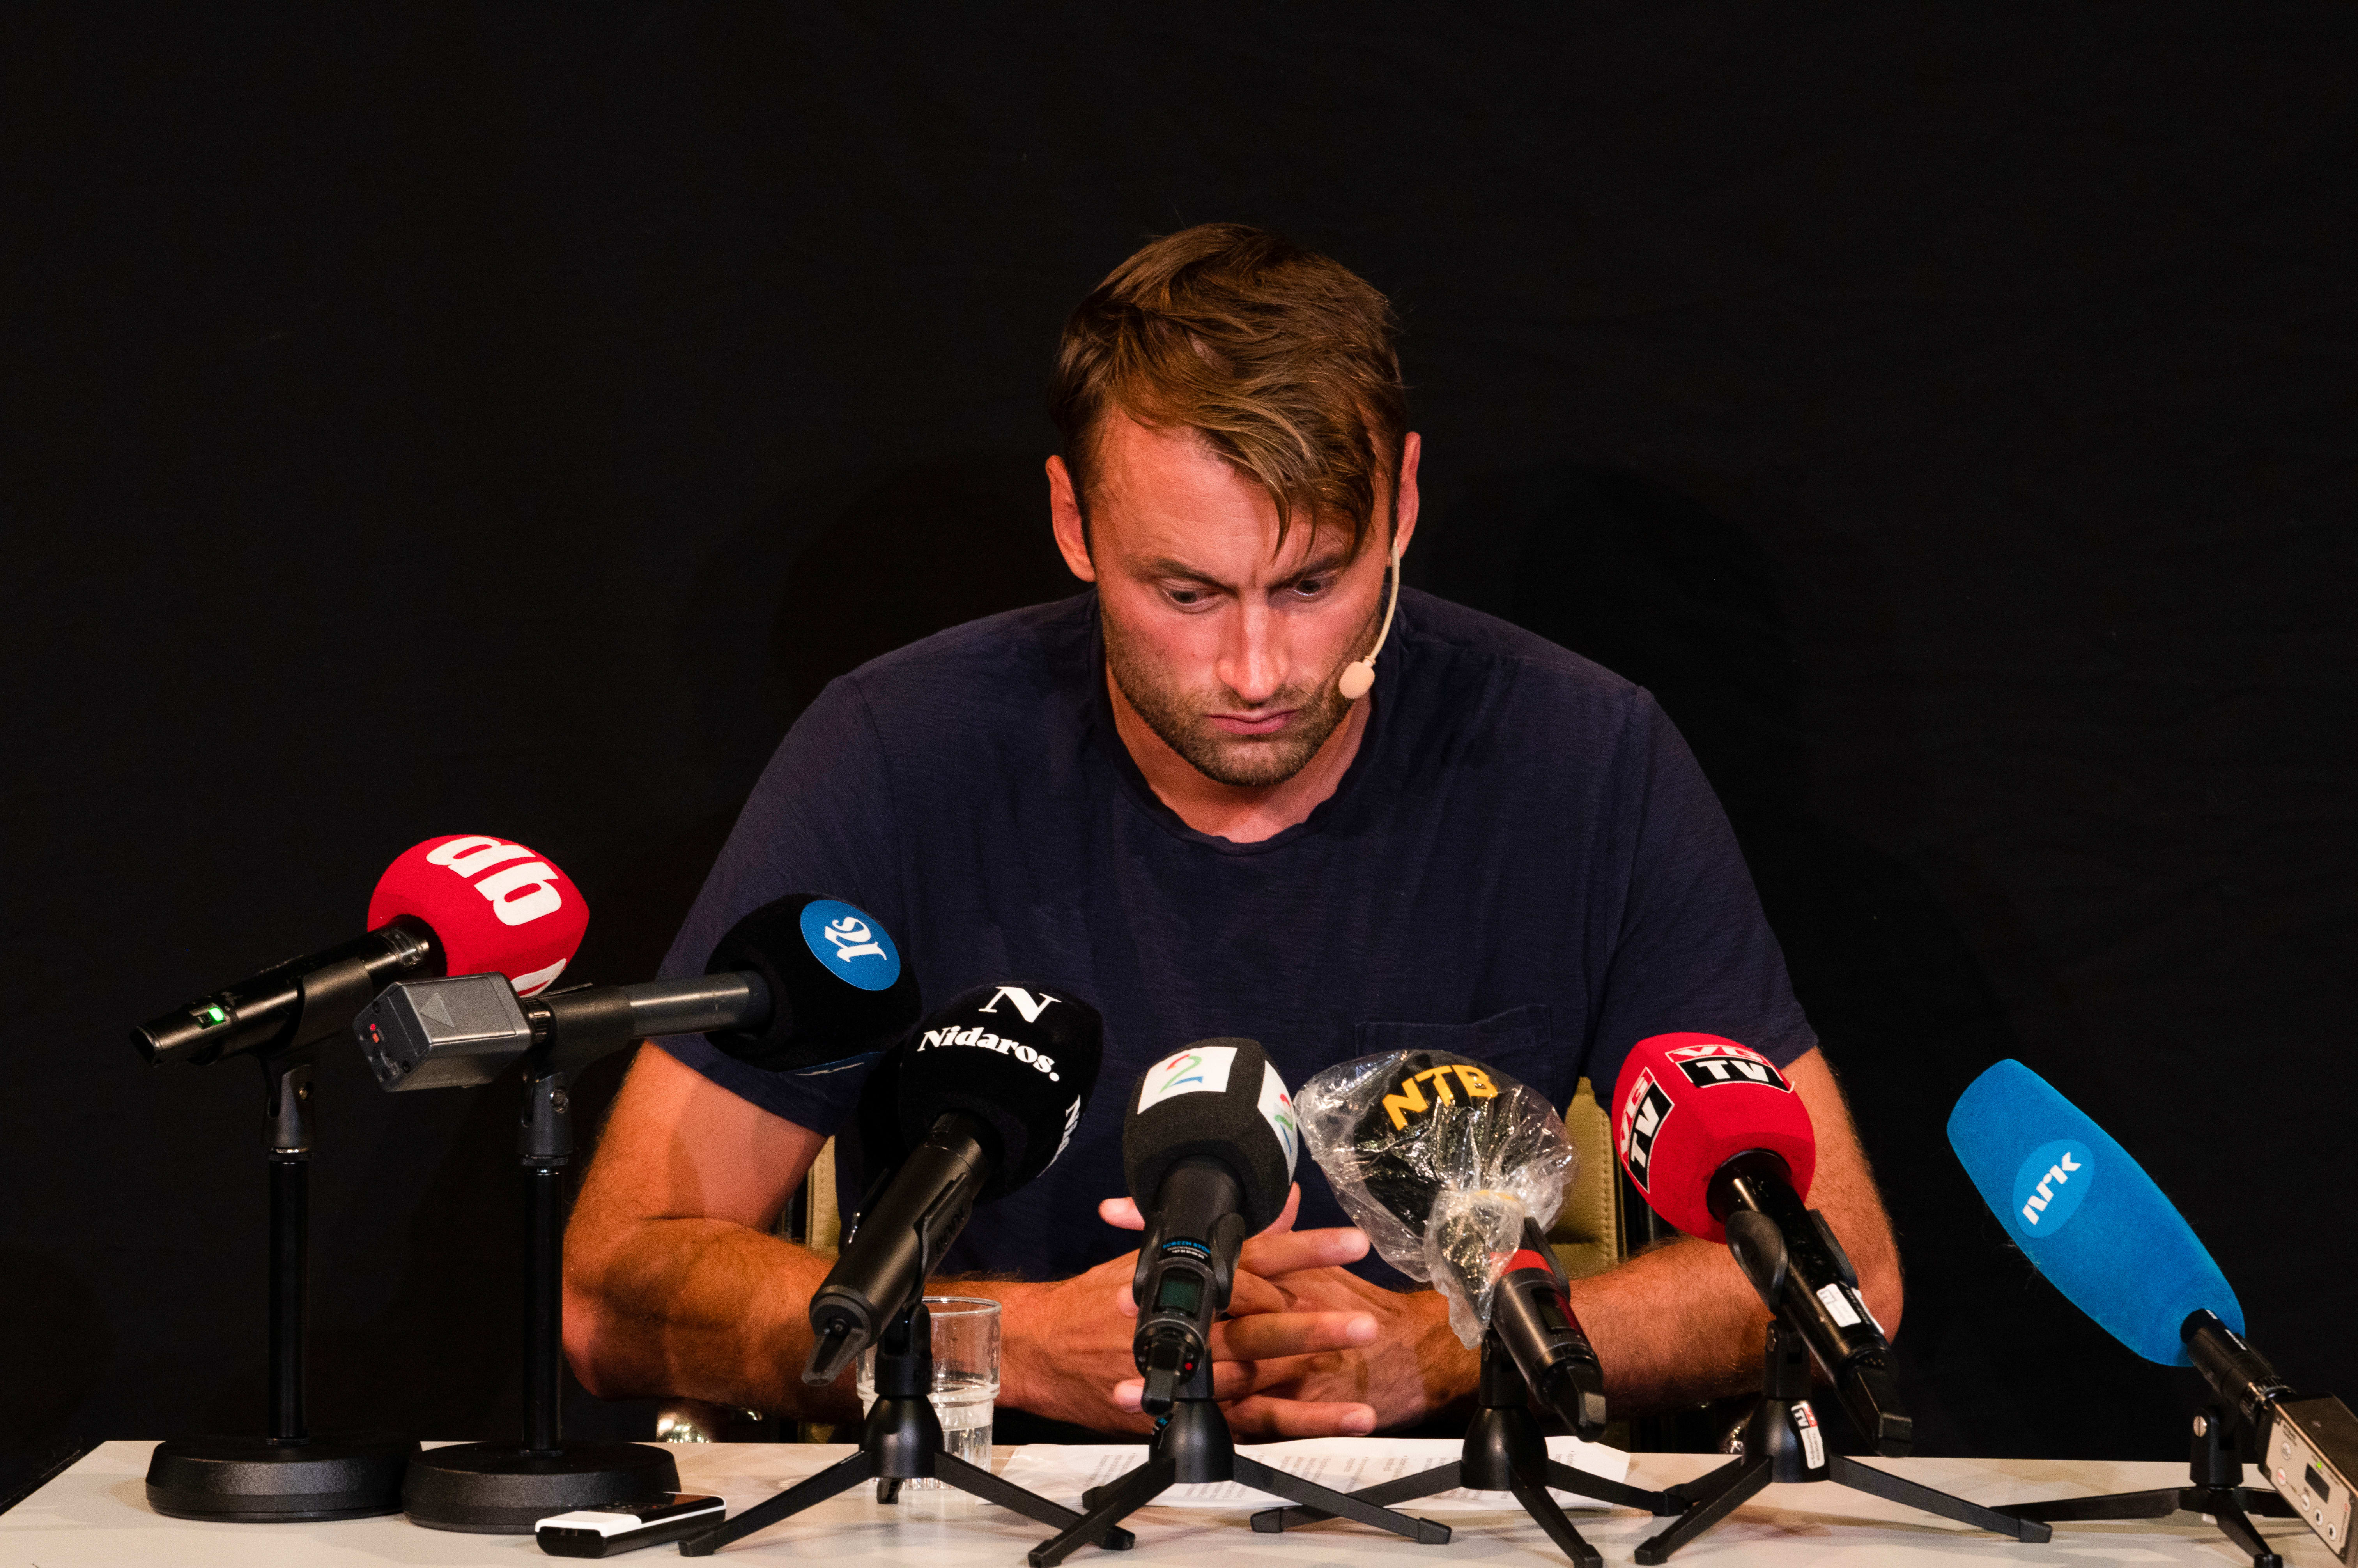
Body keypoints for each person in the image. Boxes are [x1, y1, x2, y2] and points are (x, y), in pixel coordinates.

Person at [563, 223, 1901, 1439]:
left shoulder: (1585, 757)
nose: (1257, 672)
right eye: (1187, 593)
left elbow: (1848, 1272)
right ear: (1075, 522)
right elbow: (612, 1287)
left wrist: (1445, 1349)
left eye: (1313, 583)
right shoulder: (898, 751)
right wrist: (1006, 1345)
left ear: (1403, 505)